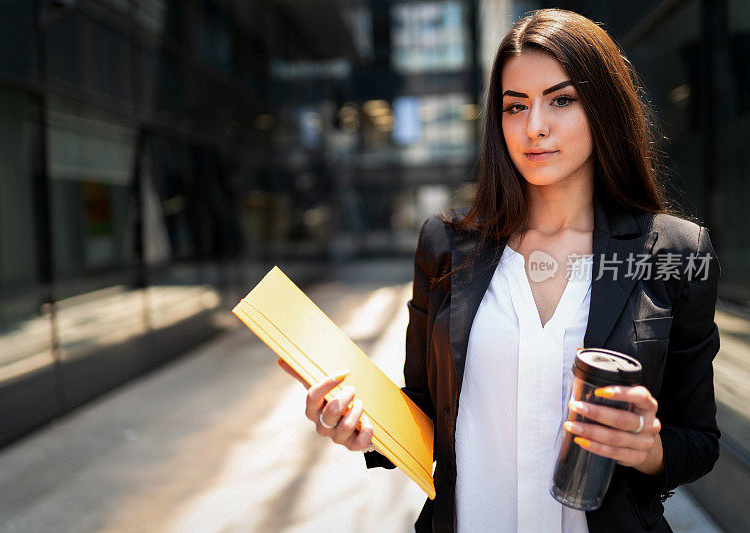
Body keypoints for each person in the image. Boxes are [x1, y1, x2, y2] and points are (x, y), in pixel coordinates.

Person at [279, 8, 721, 533]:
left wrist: (647, 449)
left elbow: (698, 439)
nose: (534, 127)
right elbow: (424, 407)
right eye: (516, 106)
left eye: (561, 100)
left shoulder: (675, 252)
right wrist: (362, 423)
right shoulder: (445, 246)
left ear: (603, 108)